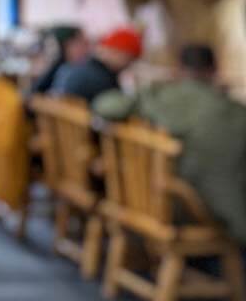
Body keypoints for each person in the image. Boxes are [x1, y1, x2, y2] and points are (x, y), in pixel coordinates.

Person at [94, 44, 246, 244]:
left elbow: (104, 104)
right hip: (194, 206)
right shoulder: (232, 112)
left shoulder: (156, 96)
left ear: (178, 68)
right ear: (215, 69)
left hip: (150, 199)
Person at [52, 26, 141, 103]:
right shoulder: (104, 81)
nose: (128, 65)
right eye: (130, 59)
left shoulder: (70, 68)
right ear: (119, 54)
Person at [31, 25, 89, 96]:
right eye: (80, 43)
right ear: (65, 47)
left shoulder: (82, 71)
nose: (85, 48)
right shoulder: (63, 68)